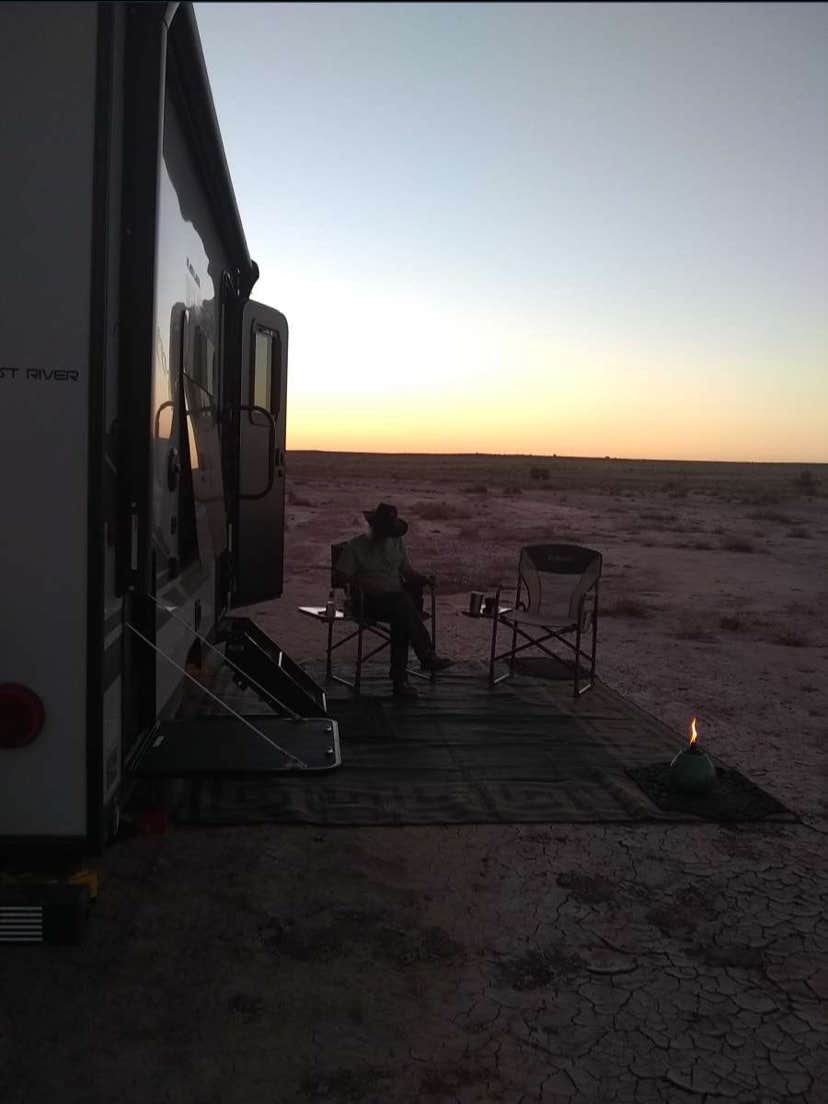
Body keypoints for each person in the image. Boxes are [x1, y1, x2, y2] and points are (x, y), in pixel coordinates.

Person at [335, 502, 453, 698]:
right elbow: (340, 576)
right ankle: (422, 660)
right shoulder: (356, 546)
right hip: (368, 602)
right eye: (385, 531)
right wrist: (361, 583)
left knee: (402, 616)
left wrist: (424, 579)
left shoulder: (396, 542)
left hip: (396, 602)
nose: (388, 536)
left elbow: (407, 571)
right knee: (403, 608)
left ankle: (402, 680)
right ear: (374, 527)